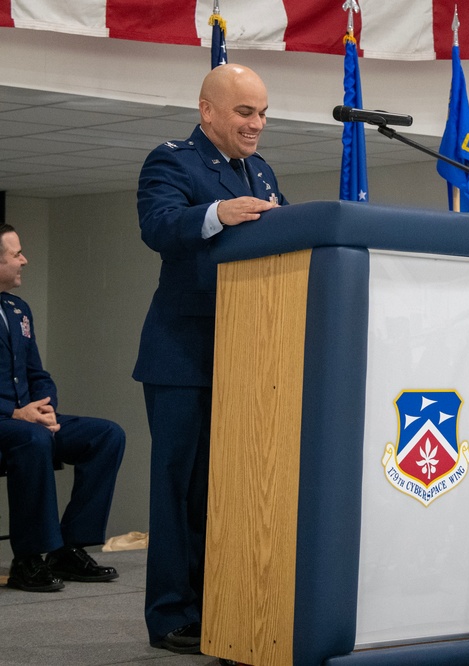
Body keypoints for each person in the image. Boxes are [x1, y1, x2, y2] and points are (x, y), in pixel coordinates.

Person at [134, 63, 288, 654]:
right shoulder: (173, 160)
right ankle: (173, 613)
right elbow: (158, 226)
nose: (258, 124)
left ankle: (224, 601)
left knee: (231, 488)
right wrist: (217, 214)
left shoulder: (263, 169)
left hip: (251, 351)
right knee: (181, 488)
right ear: (208, 111)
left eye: (263, 112)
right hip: (183, 356)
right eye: (245, 112)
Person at [0, 224, 125, 592]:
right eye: (16, 254)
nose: (25, 259)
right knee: (33, 438)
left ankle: (69, 547)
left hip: (29, 419)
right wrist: (14, 413)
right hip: (11, 422)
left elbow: (38, 374)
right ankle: (29, 558)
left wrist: (47, 407)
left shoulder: (18, 308)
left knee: (106, 435)